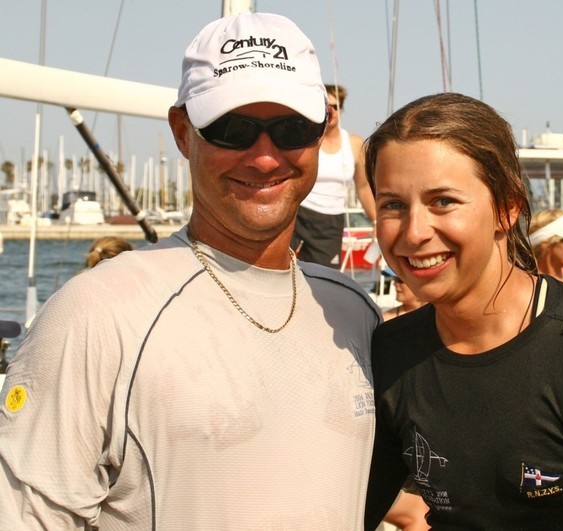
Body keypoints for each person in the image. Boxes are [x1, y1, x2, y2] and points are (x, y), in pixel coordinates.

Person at [0, 13, 381, 529]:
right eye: (233, 130)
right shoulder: (96, 314)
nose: (265, 158)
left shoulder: (354, 312)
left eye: (292, 129)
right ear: (183, 133)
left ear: (320, 134)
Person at [363, 93, 563, 530]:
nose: (414, 232)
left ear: (507, 207)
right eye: (392, 204)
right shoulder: (391, 352)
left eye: (443, 201)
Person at [291, 83, 376, 268]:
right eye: (325, 106)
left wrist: (377, 220)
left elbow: (363, 187)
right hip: (299, 213)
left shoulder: (354, 144)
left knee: (323, 278)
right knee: (278, 267)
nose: (331, 111)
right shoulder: (305, 139)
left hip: (330, 222)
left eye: (335, 106)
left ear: (341, 110)